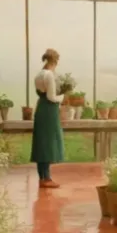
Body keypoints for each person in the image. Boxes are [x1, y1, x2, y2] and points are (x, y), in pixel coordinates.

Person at [30, 49, 65, 188]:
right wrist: (63, 97)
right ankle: (47, 179)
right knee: (49, 142)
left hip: (41, 109)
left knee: (42, 142)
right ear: (55, 61)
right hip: (49, 110)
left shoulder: (39, 74)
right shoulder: (49, 75)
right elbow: (51, 97)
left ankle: (43, 177)